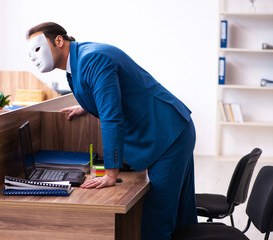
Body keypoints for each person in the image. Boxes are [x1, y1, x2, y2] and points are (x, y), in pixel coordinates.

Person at [26, 22, 197, 240]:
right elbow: (108, 93)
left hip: (167, 133)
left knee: (159, 219)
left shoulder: (93, 59)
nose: (33, 57)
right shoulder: (79, 62)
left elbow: (112, 117)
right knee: (179, 214)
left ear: (59, 41)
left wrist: (110, 172)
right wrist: (86, 106)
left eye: (37, 49)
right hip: (168, 128)